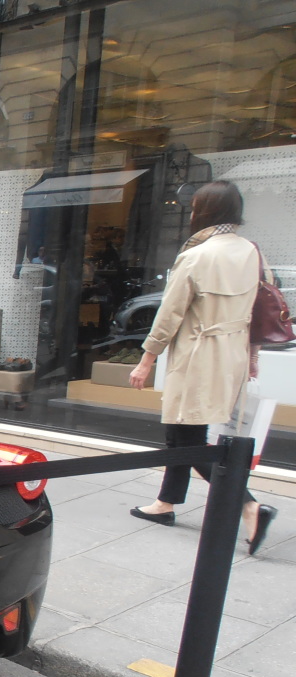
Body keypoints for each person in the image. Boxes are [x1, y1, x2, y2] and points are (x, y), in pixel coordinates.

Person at [127, 180, 277, 554]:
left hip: (198, 353)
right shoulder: (252, 252)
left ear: (203, 212)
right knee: (183, 432)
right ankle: (166, 503)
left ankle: (249, 506)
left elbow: (170, 313)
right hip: (233, 353)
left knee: (188, 437)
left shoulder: (198, 254)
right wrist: (254, 356)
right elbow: (262, 308)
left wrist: (146, 359)